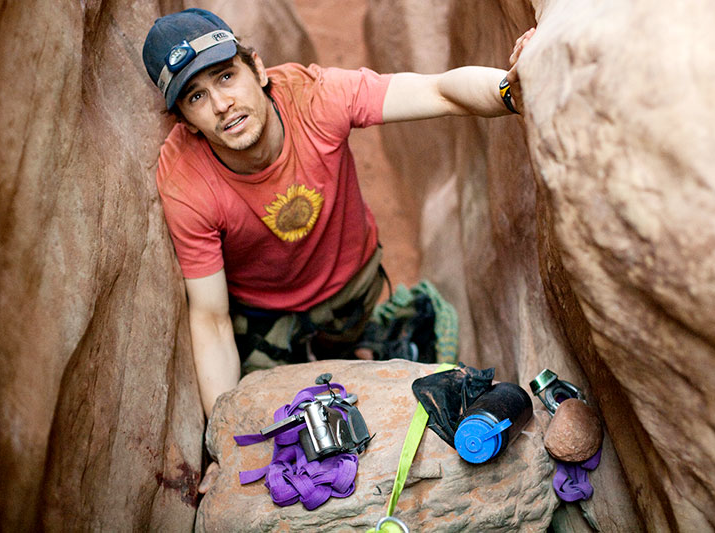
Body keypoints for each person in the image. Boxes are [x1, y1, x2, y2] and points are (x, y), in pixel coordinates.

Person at [142, 9, 534, 420]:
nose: (222, 105)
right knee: (275, 416)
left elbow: (439, 92)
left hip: (349, 286)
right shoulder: (186, 182)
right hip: (263, 315)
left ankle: (358, 348)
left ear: (256, 69)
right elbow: (211, 320)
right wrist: (222, 430)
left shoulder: (315, 98)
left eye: (225, 76)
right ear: (185, 122)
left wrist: (508, 90)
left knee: (352, 368)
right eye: (196, 97)